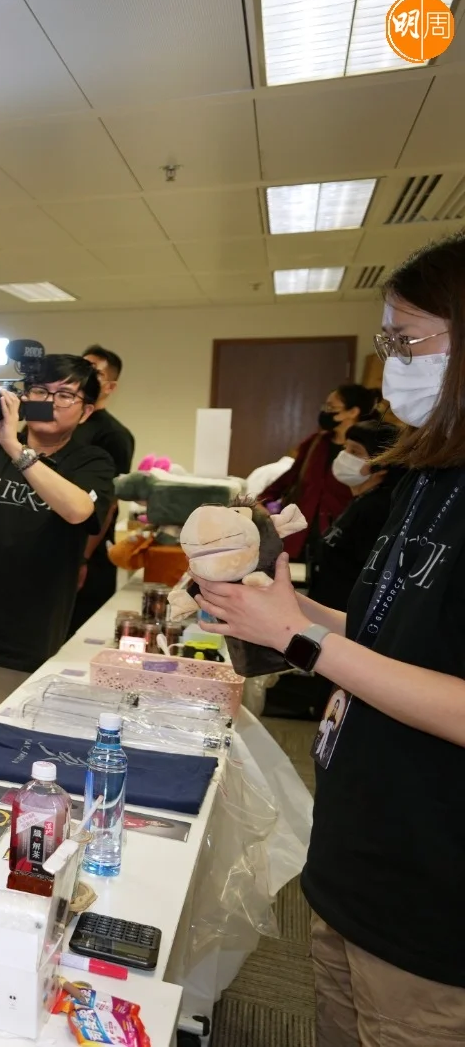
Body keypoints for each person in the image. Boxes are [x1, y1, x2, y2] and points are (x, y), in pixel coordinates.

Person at [190, 234, 465, 1046]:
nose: (393, 367)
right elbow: (392, 633)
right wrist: (284, 614)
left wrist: (301, 640)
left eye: (408, 343)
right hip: (357, 863)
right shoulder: (428, 479)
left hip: (434, 904)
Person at [0, 356, 115, 704]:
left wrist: (14, 445)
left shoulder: (91, 461)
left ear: (86, 411)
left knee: (8, 732)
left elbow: (77, 511)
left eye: (65, 395)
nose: (49, 402)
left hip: (28, 638)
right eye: (40, 391)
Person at [259, 383, 377, 559]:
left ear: (353, 412)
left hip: (341, 538)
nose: (325, 412)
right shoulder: (316, 443)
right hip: (301, 536)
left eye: (332, 407)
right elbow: (292, 476)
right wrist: (263, 500)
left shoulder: (368, 450)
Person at [71, 346, 136, 630]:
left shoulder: (115, 435)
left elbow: (109, 503)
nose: (85, 376)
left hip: (89, 551)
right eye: (81, 368)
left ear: (110, 386)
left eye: (95, 372)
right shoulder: (63, 424)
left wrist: (82, 558)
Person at [309, 420, 403, 610]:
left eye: (355, 452)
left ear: (381, 463)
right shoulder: (361, 500)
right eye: (345, 448)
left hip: (344, 615)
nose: (344, 456)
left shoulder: (378, 509)